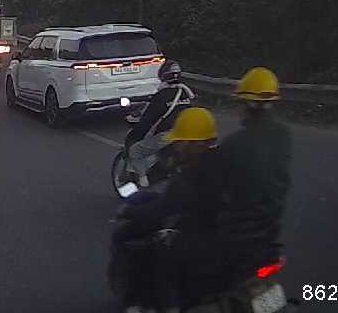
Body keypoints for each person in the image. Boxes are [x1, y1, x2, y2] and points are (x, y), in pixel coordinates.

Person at [114, 107, 224, 313]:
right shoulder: (225, 160)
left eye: (181, 142)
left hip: (204, 241)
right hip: (230, 235)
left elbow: (160, 211)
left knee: (161, 255)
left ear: (196, 143)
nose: (177, 147)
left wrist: (129, 212)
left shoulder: (190, 175)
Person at [211, 66, 292, 286]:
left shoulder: (234, 144)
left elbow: (215, 186)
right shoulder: (284, 135)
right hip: (270, 230)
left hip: (236, 235)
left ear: (247, 105)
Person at [125, 60, 195, 187]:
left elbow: (147, 122)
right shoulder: (185, 93)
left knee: (135, 151)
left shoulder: (161, 96)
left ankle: (143, 182)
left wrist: (134, 135)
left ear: (163, 76)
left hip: (169, 136)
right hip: (189, 134)